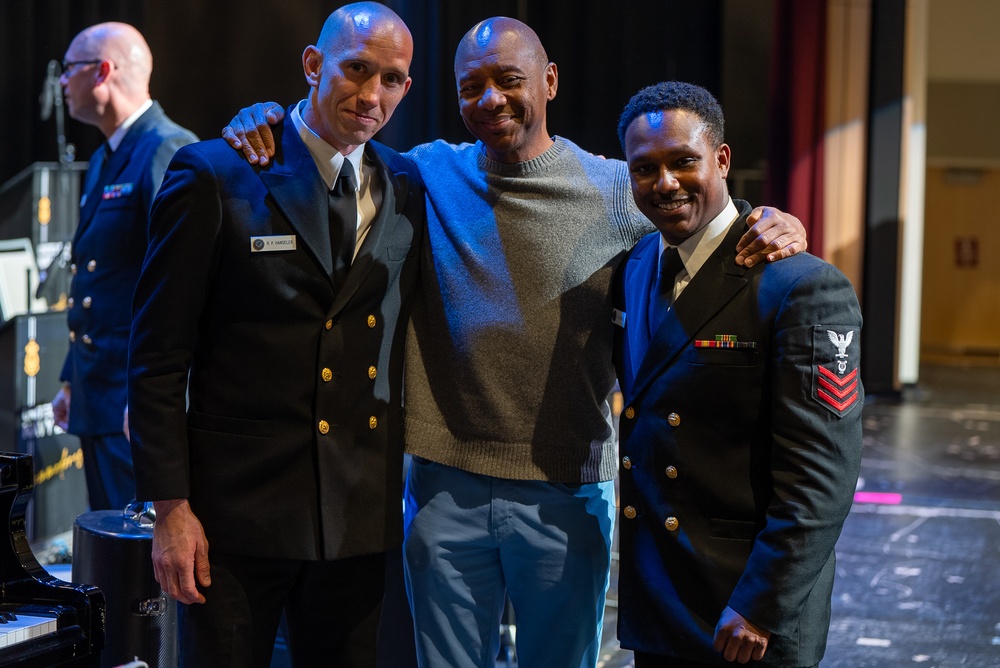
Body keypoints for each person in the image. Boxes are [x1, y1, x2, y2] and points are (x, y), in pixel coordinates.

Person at [223, 17, 807, 668]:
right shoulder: (422, 174)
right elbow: (332, 141)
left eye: (509, 80)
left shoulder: (619, 189)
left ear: (550, 81)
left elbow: (700, 215)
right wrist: (269, 115)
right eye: (471, 86)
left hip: (567, 491)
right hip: (444, 489)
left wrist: (773, 219)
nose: (490, 99)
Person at [126, 4, 423, 666]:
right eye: (356, 69)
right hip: (234, 518)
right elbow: (156, 359)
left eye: (392, 80)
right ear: (314, 66)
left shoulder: (408, 183)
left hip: (356, 518)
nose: (371, 94)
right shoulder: (214, 173)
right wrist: (170, 510)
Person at [612, 81, 863, 667]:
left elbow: (821, 477)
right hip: (663, 599)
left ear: (722, 159)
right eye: (645, 168)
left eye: (683, 162)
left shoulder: (801, 286)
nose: (665, 183)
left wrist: (762, 604)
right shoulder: (637, 265)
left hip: (746, 615)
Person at [51, 22, 197, 512]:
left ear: (102, 72)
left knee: (138, 563)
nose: (62, 83)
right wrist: (73, 377)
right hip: (100, 393)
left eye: (68, 70)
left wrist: (157, 400)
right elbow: (99, 276)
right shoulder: (105, 158)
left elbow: (182, 285)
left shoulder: (166, 149)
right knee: (107, 552)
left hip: (135, 401)